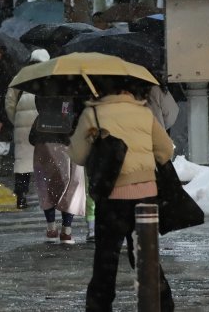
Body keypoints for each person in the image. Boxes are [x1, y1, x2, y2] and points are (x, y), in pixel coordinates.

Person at [71, 77, 176, 312]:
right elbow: (166, 150)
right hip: (146, 197)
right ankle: (162, 304)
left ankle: (100, 306)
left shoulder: (93, 115)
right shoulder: (144, 113)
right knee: (147, 256)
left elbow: (77, 155)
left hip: (112, 196)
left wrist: (94, 140)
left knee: (106, 258)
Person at [32, 92, 86, 244]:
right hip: (70, 139)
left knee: (46, 184)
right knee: (73, 185)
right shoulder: (77, 88)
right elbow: (82, 112)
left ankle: (51, 228)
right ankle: (66, 231)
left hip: (45, 137)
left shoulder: (43, 87)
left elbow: (39, 107)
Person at [4, 50, 44, 209]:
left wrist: (15, 120)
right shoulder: (48, 76)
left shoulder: (19, 77)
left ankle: (21, 195)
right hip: (42, 121)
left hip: (22, 122)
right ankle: (49, 196)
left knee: (22, 162)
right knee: (46, 159)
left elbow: (9, 103)